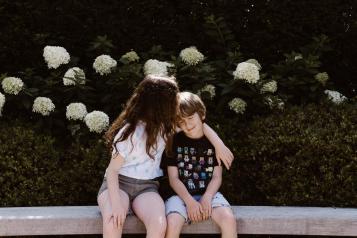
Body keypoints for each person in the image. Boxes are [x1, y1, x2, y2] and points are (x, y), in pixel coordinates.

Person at [97, 75, 234, 238]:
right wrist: (117, 204)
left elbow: (198, 124)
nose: (176, 103)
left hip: (147, 188)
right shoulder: (131, 132)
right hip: (119, 184)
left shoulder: (166, 128)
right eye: (173, 100)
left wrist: (218, 144)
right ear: (160, 105)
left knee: (159, 224)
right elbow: (112, 171)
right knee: (114, 220)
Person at [163, 92, 237, 238]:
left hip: (209, 193)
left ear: (201, 115)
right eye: (182, 122)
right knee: (172, 222)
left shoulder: (213, 142)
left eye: (190, 118)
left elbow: (217, 176)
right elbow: (173, 179)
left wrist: (208, 196)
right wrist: (189, 202)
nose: (188, 125)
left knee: (228, 219)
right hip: (180, 196)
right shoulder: (174, 141)